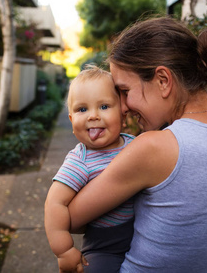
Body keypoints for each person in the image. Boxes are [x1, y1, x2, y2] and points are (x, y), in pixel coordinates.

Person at [65, 16, 207, 272]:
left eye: (125, 91)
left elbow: (70, 218)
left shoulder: (155, 148)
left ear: (163, 80)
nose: (124, 107)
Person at [44, 66, 135, 273]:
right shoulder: (80, 160)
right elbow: (55, 203)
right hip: (105, 245)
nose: (93, 116)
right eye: (82, 109)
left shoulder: (135, 145)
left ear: (123, 112)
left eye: (104, 106)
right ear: (71, 120)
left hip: (143, 234)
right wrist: (64, 250)